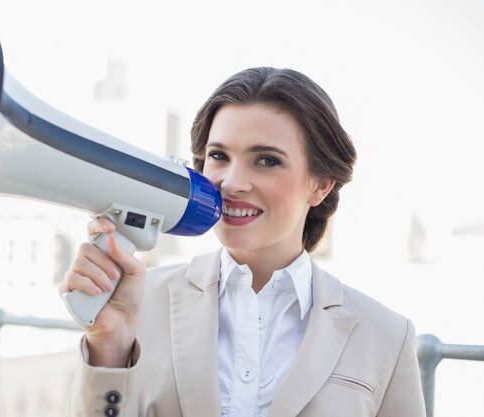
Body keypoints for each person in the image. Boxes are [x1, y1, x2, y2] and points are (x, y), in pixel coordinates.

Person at [59, 67, 426, 417]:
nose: (232, 183)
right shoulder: (137, 305)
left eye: (266, 160)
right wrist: (109, 345)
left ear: (321, 183)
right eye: (219, 156)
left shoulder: (387, 338)